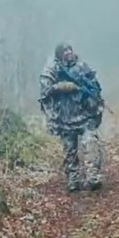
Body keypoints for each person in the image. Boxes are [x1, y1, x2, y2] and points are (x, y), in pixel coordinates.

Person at [39, 43, 106, 192]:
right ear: (59, 54)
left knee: (91, 145)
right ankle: (73, 180)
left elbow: (95, 88)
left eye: (70, 50)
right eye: (65, 51)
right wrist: (61, 86)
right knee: (70, 152)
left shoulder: (82, 67)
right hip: (64, 119)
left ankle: (93, 177)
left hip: (84, 117)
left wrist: (95, 105)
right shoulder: (52, 70)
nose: (68, 53)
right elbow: (45, 91)